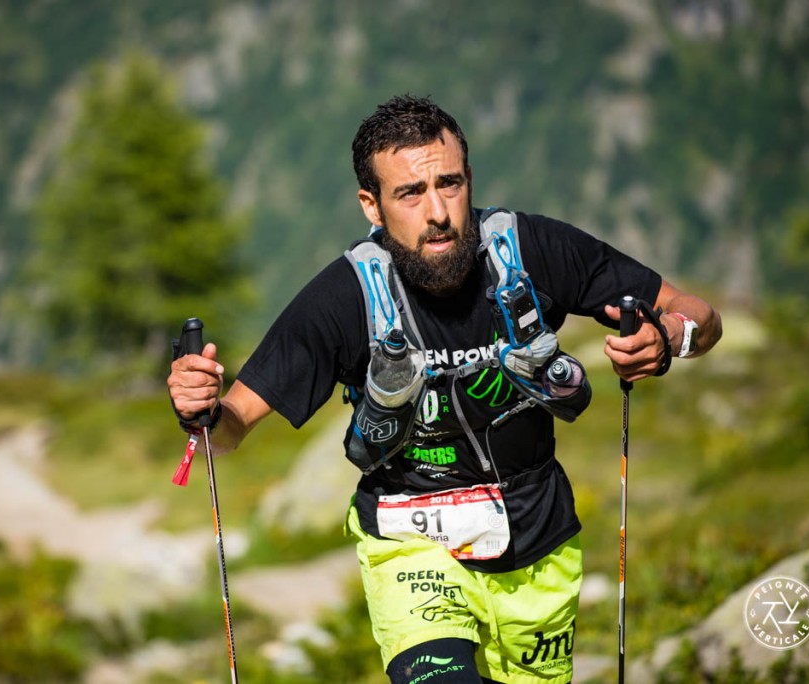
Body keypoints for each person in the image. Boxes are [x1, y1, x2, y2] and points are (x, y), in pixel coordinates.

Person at [168, 94, 722, 684]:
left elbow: (697, 313)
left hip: (539, 540)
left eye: (449, 184)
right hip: (411, 544)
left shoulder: (530, 250)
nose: (438, 211)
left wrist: (669, 339)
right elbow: (228, 431)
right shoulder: (343, 297)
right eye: (410, 193)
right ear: (372, 206)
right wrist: (199, 407)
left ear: (469, 180)